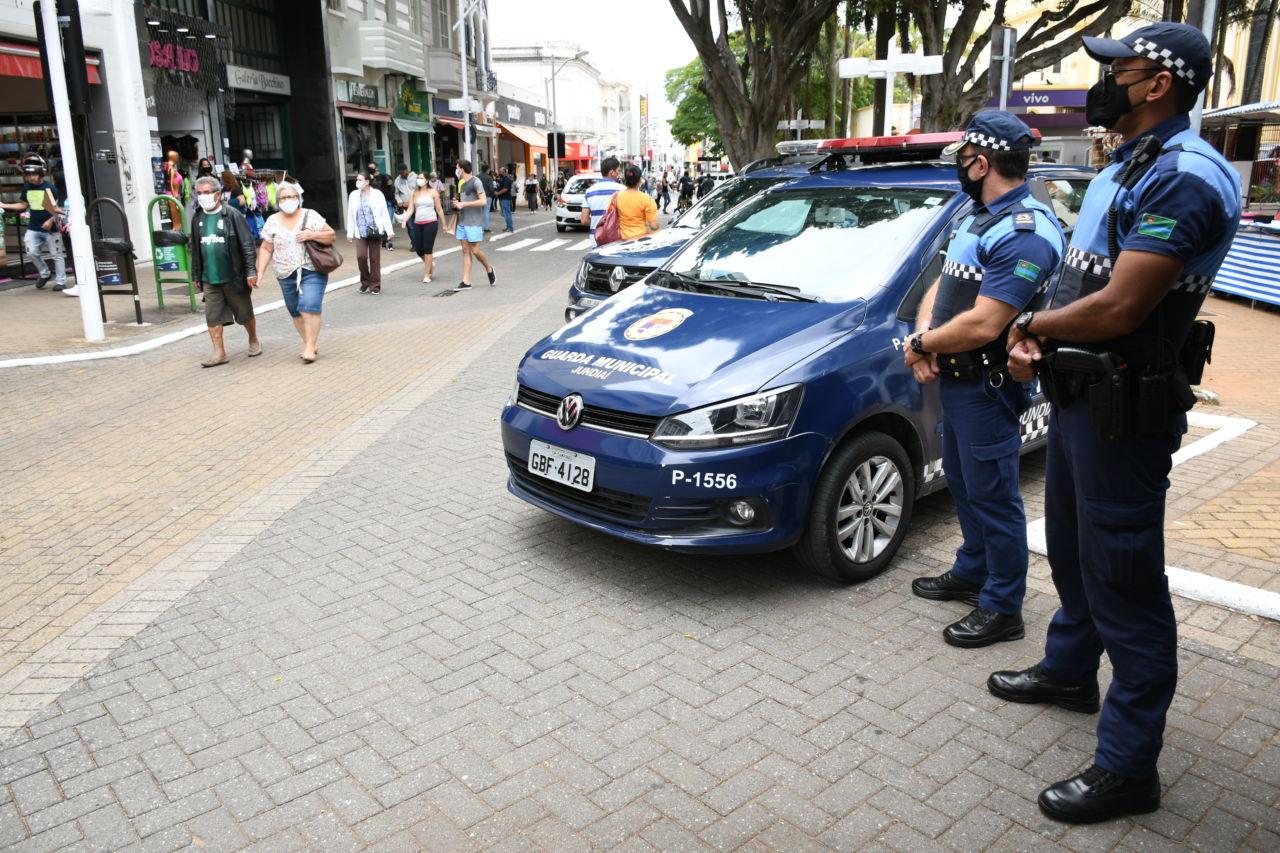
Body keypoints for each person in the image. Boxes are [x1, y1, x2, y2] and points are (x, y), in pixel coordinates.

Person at [996, 23, 1240, 824]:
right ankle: (1070, 671)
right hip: (1080, 396)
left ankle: (1130, 765)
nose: (1099, 83)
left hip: (1124, 410)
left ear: (1159, 82)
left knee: (1125, 580)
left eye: (1115, 70)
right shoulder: (1124, 163)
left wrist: (1032, 330)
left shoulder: (1186, 176)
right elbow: (1081, 278)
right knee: (1071, 548)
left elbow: (1124, 304)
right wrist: (1043, 324)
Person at [904, 111, 1065, 648]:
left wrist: (921, 346)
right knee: (966, 484)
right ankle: (972, 569)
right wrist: (926, 339)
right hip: (955, 378)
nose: (961, 168)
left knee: (994, 495)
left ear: (982, 161)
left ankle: (1002, 605)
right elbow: (942, 286)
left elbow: (987, 322)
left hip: (988, 383)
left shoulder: (1028, 230)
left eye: (964, 159)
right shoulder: (977, 217)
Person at [254, 181, 335, 363]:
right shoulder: (272, 221)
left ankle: (308, 348)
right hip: (285, 273)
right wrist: (260, 272)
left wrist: (311, 235)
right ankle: (310, 343)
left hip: (311, 268)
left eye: (291, 196)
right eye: (283, 197)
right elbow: (267, 248)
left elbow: (331, 235)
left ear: (298, 198)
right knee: (296, 311)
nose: (288, 200)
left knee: (309, 305)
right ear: (278, 201)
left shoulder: (310, 215)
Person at [189, 175, 260, 367]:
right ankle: (219, 352)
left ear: (218, 194)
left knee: (244, 312)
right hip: (209, 277)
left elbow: (247, 244)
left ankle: (253, 338)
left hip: (233, 275)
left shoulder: (232, 215)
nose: (202, 196)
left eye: (207, 193)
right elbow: (195, 249)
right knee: (212, 316)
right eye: (199, 193)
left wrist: (250, 271)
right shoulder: (197, 218)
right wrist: (196, 274)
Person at [0, 163, 70, 293]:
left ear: (40, 175)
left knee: (57, 255)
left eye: (34, 174)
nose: (31, 177)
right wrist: (4, 205)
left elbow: (59, 209)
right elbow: (23, 205)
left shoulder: (50, 188)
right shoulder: (27, 187)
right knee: (31, 252)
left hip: (52, 228)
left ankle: (61, 282)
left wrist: (50, 221)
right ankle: (45, 273)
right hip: (34, 226)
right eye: (29, 175)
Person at [345, 171, 394, 294]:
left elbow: (384, 214)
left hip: (375, 230)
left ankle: (375, 285)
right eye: (357, 179)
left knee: (374, 258)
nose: (357, 182)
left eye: (360, 179)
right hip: (360, 231)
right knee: (361, 257)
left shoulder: (377, 194)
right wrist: (349, 233)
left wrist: (389, 230)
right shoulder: (353, 195)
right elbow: (351, 215)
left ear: (367, 181)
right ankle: (365, 282)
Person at [451, 158, 496, 291]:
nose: (456, 170)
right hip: (462, 221)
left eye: (457, 167)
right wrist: (457, 203)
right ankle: (466, 282)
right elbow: (463, 200)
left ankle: (489, 268)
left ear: (462, 169)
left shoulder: (476, 182)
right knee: (465, 251)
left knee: (475, 251)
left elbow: (483, 201)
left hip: (474, 222)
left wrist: (464, 204)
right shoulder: (461, 182)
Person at [399, 172, 445, 283]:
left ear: (427, 180)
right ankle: (430, 264)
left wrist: (444, 225)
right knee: (419, 249)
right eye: (418, 178)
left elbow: (439, 209)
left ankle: (427, 275)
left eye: (421, 178)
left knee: (428, 249)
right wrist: (404, 220)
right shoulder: (414, 193)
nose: (419, 179)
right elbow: (410, 209)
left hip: (431, 222)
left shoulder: (433, 192)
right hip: (418, 223)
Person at [582, 156, 624, 240]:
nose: (619, 174)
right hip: (616, 237)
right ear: (612, 172)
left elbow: (584, 220)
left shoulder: (589, 191)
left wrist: (598, 224)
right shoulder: (622, 190)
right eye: (618, 171)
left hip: (596, 237)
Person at [616, 164, 660, 240]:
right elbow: (653, 226)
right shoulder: (647, 199)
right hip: (640, 240)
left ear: (625, 180)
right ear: (639, 180)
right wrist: (658, 226)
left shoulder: (616, 196)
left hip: (622, 240)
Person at [367, 162, 396, 249]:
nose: (371, 169)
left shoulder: (383, 177)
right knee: (379, 223)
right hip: (375, 203)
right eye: (369, 168)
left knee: (388, 221)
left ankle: (390, 243)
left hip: (387, 202)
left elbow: (390, 187)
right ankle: (383, 240)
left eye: (372, 167)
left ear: (376, 167)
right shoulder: (368, 179)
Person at [495, 167, 515, 232]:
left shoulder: (507, 179)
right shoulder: (503, 179)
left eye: (500, 171)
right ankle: (508, 226)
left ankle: (510, 227)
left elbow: (505, 189)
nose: (499, 172)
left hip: (505, 198)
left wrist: (498, 193)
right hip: (503, 198)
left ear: (504, 172)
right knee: (504, 213)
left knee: (507, 213)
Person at [478, 167, 496, 232]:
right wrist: (493, 194)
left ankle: (480, 227)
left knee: (480, 212)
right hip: (487, 196)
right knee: (486, 212)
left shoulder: (477, 177)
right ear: (487, 170)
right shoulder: (489, 178)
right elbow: (491, 188)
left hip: (479, 196)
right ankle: (486, 227)